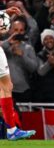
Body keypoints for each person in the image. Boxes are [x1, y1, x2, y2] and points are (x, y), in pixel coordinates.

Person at [0, 7, 36, 140]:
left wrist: (4, 13)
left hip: (21, 89)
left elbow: (34, 68)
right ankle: (12, 131)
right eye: (15, 30)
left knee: (6, 88)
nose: (18, 33)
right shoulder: (5, 43)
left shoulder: (27, 47)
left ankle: (12, 131)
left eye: (21, 30)